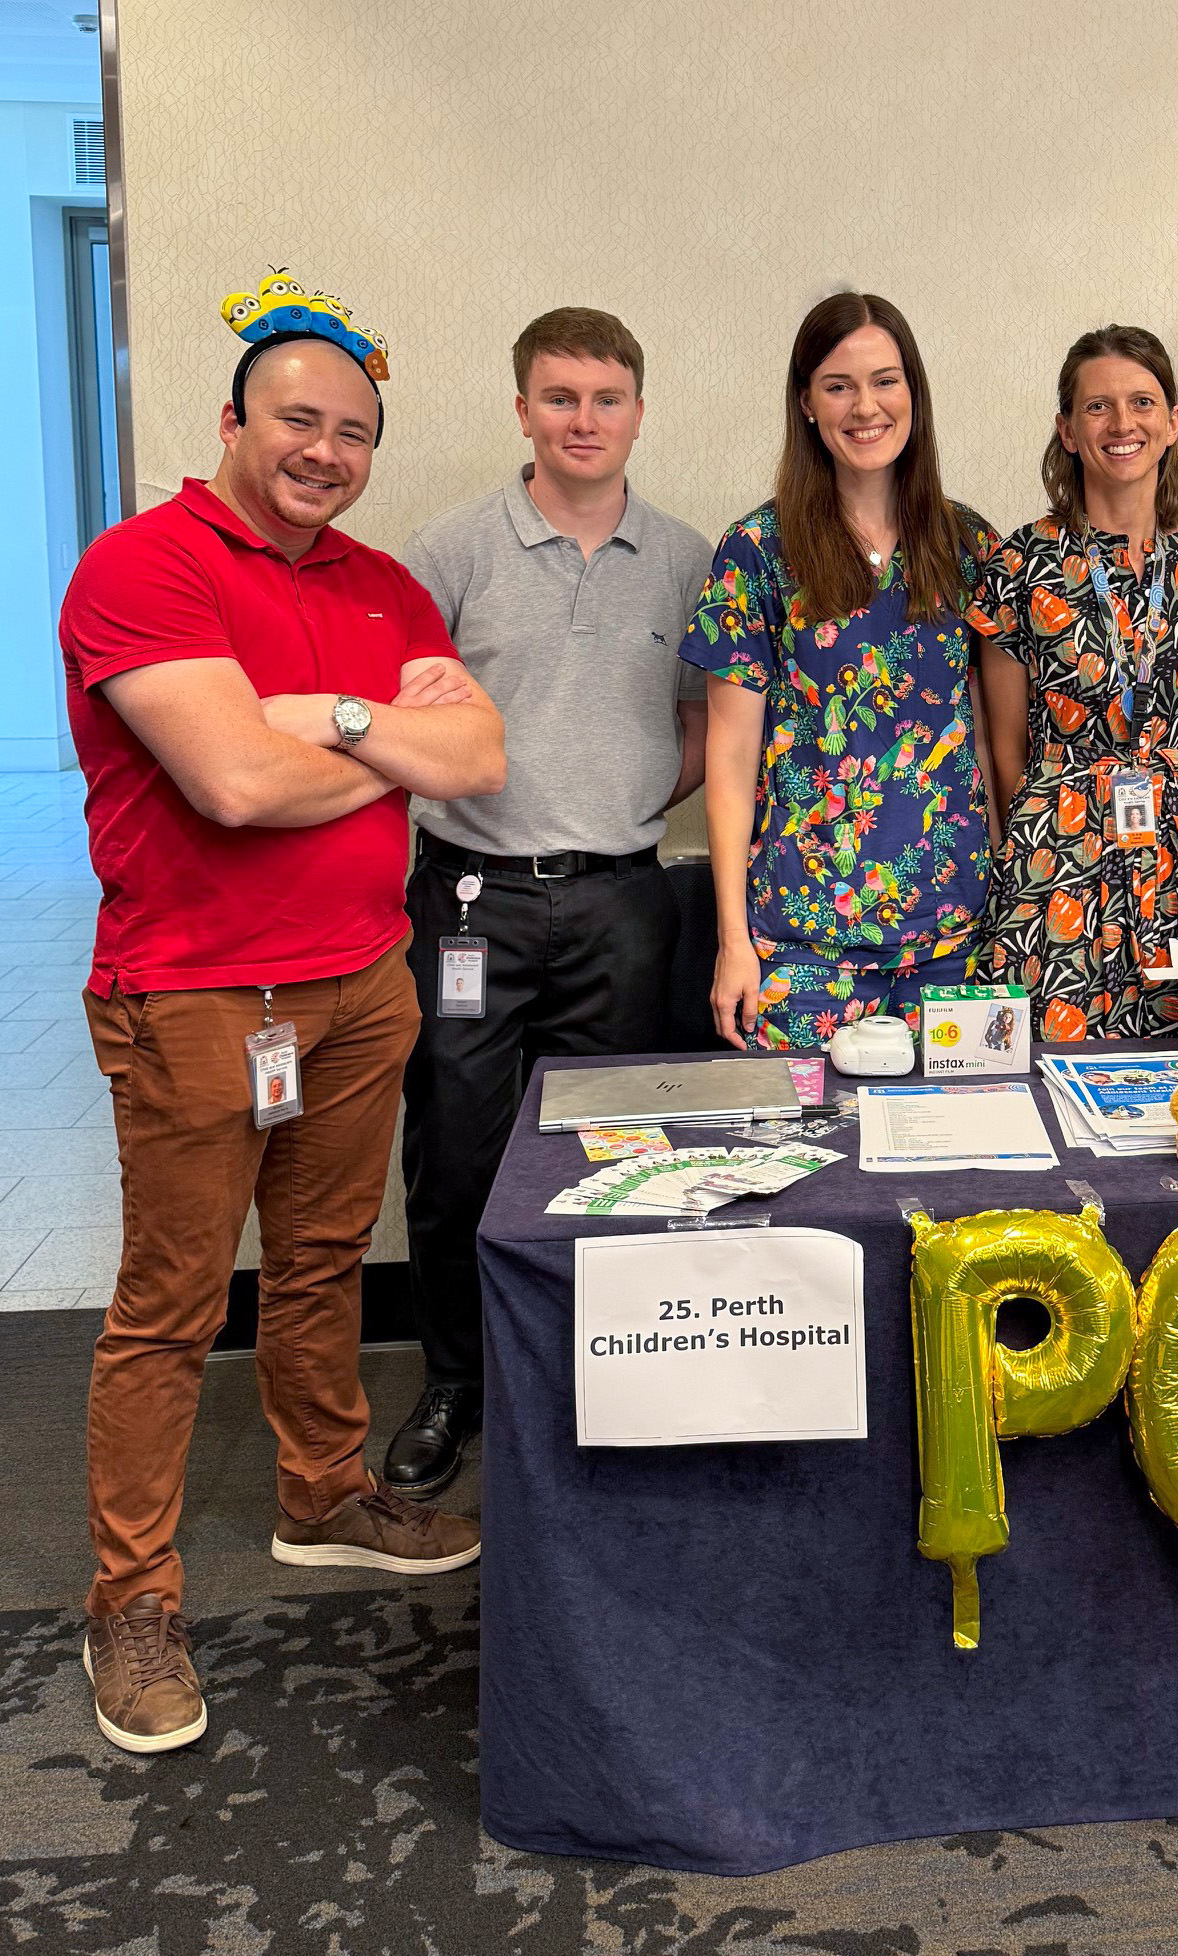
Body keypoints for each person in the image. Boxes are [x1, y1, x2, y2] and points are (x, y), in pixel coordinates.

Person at [61, 283, 506, 1754]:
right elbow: (231, 788)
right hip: (194, 995)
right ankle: (130, 1596)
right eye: (299, 421)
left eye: (354, 433)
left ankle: (323, 1492)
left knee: (321, 1263)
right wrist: (383, 738)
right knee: (174, 1308)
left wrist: (324, 717)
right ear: (234, 424)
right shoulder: (144, 569)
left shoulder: (385, 589)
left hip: (362, 983)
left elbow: (478, 754)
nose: (325, 451)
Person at [385, 308, 709, 1497]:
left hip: (622, 899)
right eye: (560, 398)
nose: (584, 420)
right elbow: (407, 724)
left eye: (607, 398)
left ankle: (589, 1364)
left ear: (638, 410)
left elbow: (702, 727)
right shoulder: (451, 549)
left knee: (613, 1148)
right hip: (471, 900)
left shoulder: (686, 558)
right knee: (459, 1152)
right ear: (522, 408)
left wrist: (619, 799)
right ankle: (459, 1381)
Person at [683, 291, 995, 1050]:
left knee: (963, 1164)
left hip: (955, 937)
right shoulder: (757, 552)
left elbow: (987, 738)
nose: (866, 407)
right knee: (809, 1165)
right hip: (802, 943)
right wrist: (733, 943)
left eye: (886, 381)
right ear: (806, 404)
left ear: (913, 394)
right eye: (839, 385)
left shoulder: (968, 545)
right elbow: (727, 763)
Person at [971, 324, 1178, 1040]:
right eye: (1097, 407)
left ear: (1173, 423)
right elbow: (1004, 747)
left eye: (1142, 403)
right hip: (1058, 845)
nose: (1122, 423)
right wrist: (1034, 856)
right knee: (1045, 1060)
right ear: (1067, 430)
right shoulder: (1021, 562)